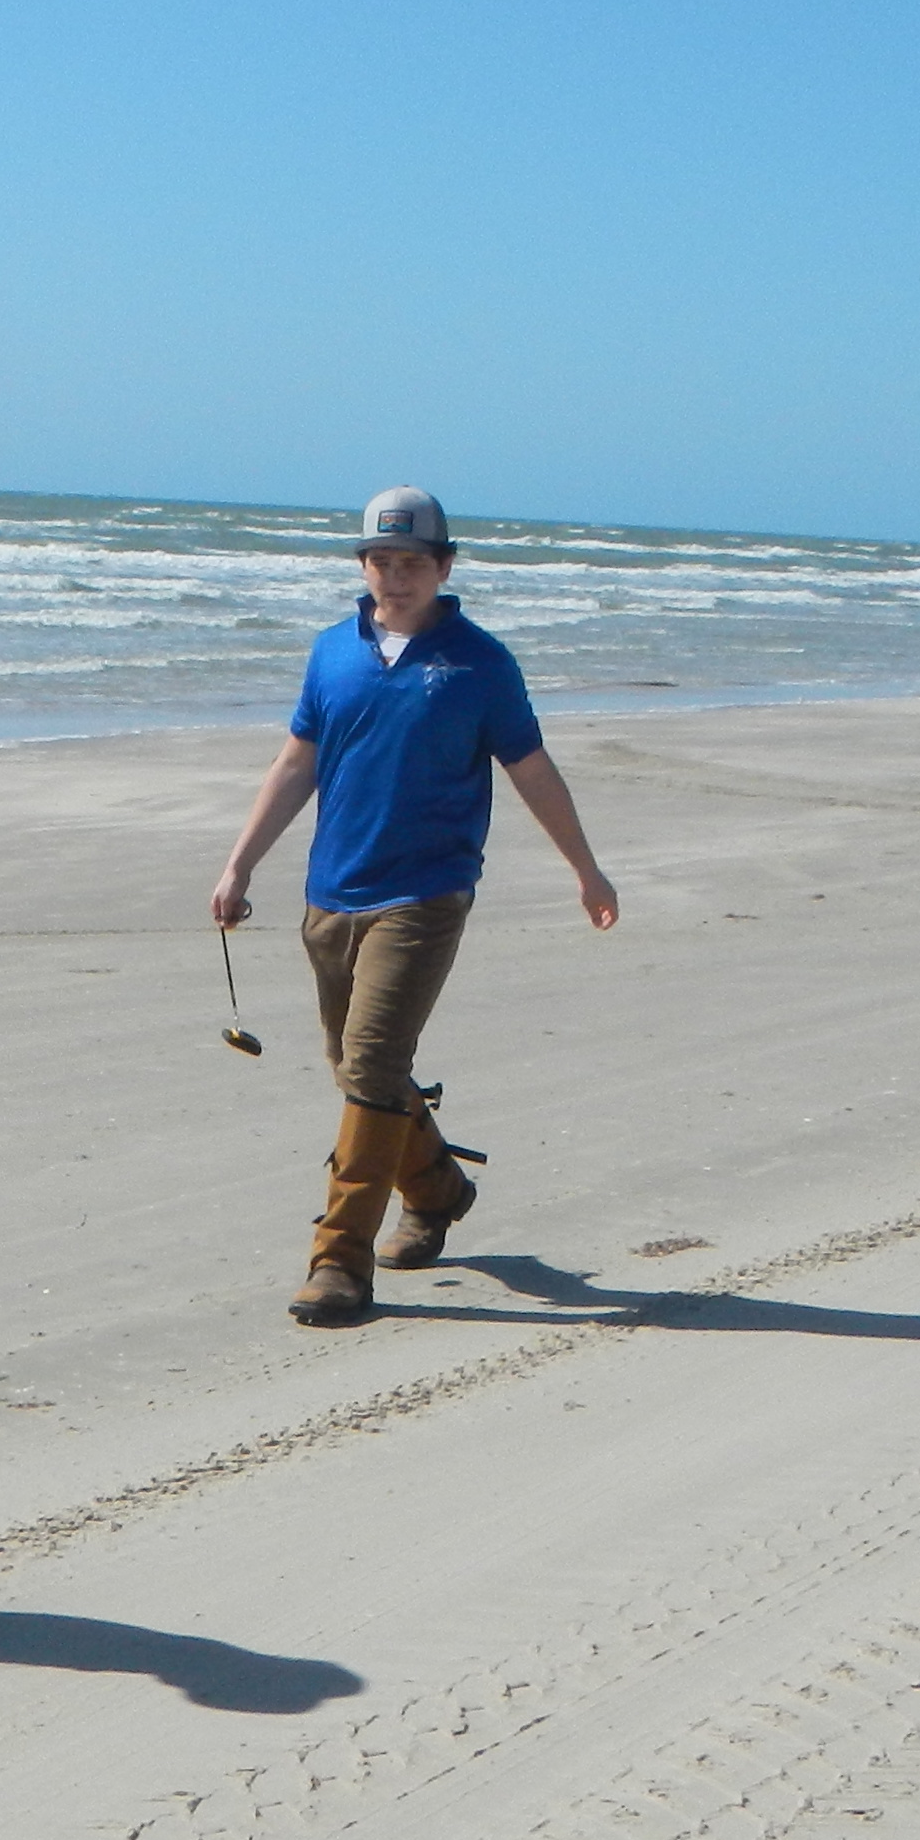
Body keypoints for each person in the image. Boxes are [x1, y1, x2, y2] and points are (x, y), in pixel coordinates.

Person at [207, 486, 620, 1327]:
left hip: (426, 893)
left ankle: (339, 1261)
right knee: (358, 1066)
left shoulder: (480, 665)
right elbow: (297, 763)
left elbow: (531, 769)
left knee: (369, 1064)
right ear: (363, 566)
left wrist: (586, 870)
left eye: (412, 563)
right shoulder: (333, 652)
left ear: (444, 567)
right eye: (381, 561)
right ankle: (436, 1188)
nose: (395, 577)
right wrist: (240, 864)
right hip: (332, 891)